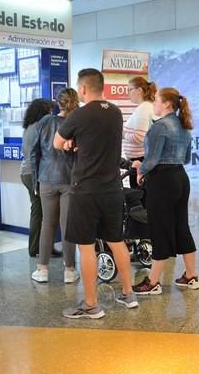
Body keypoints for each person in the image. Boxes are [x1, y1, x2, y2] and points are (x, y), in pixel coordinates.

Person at [55, 69, 138, 319]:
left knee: (87, 247)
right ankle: (128, 294)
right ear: (102, 87)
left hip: (86, 190)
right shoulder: (114, 112)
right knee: (116, 241)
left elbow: (57, 143)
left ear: (82, 89)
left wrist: (70, 143)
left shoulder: (79, 114)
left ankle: (91, 304)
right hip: (113, 188)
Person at [132, 87, 199, 295]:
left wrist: (139, 170)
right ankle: (191, 276)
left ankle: (153, 282)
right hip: (181, 178)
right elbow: (187, 158)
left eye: (157, 101)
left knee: (159, 229)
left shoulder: (159, 127)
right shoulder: (184, 125)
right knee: (181, 226)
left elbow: (151, 160)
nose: (154, 104)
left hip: (162, 181)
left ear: (167, 104)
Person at [30, 89, 80, 284]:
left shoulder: (44, 122)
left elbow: (34, 153)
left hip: (46, 178)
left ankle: (42, 270)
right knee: (67, 225)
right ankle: (69, 271)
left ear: (58, 104)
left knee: (47, 224)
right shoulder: (77, 123)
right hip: (69, 178)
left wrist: (36, 180)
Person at [21, 98, 53, 258]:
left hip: (26, 173)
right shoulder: (42, 126)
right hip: (37, 174)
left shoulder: (28, 128)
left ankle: (36, 247)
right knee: (46, 212)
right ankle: (43, 247)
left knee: (38, 211)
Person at [123, 77, 156, 188]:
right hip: (140, 160)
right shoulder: (145, 107)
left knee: (139, 199)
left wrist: (122, 134)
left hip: (140, 161)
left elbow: (140, 137)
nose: (128, 94)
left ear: (139, 90)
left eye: (130, 90)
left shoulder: (144, 108)